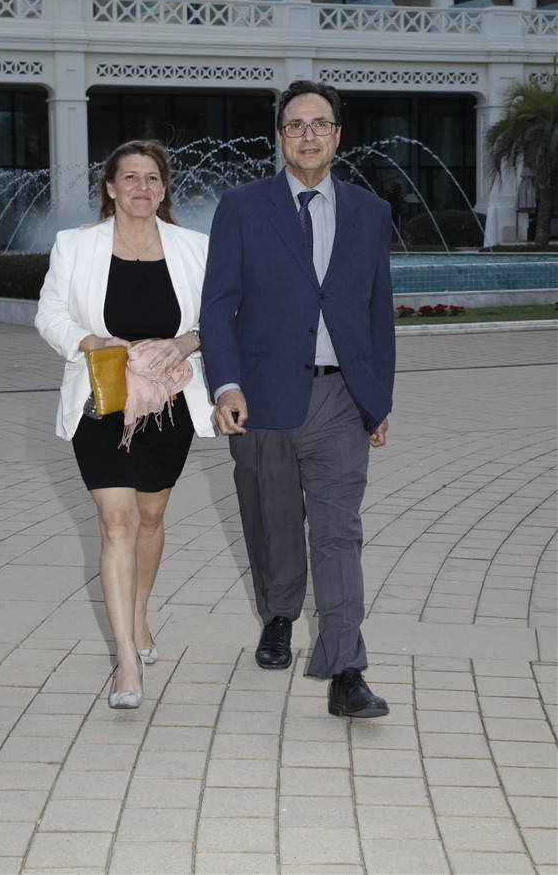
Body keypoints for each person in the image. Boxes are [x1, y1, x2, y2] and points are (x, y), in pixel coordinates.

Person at [200, 80, 396, 719]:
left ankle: (346, 669)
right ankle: (280, 613)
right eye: (295, 125)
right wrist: (226, 386)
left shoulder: (370, 211)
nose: (308, 135)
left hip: (340, 397)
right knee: (273, 520)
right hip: (261, 398)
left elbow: (378, 311)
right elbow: (218, 307)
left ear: (338, 135)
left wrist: (377, 398)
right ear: (279, 137)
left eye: (320, 124)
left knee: (339, 533)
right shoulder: (242, 207)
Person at [35, 140, 215, 710]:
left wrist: (186, 342)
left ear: (164, 190)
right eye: (130, 177)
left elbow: (223, 314)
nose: (142, 187)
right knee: (118, 522)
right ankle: (127, 663)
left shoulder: (194, 247)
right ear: (110, 187)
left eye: (153, 178)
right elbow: (49, 313)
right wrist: (90, 341)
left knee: (151, 516)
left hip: (169, 399)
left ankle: (138, 615)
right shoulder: (76, 244)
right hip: (102, 396)